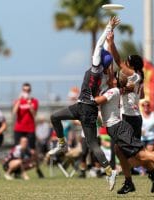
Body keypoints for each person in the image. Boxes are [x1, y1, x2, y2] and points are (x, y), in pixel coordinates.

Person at [48, 17, 120, 190]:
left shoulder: (96, 67)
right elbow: (108, 61)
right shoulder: (106, 76)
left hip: (84, 108)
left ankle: (110, 172)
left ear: (99, 59)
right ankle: (63, 145)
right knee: (90, 142)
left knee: (56, 118)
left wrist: (109, 26)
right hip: (87, 108)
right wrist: (111, 42)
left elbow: (99, 44)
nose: (95, 53)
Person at [95, 74, 154, 192]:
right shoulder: (126, 86)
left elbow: (100, 98)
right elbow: (140, 93)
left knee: (138, 158)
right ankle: (148, 176)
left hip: (126, 122)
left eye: (113, 78)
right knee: (121, 151)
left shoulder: (119, 88)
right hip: (126, 122)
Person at [106, 30, 145, 194]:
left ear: (132, 65)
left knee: (136, 155)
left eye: (127, 63)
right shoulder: (134, 78)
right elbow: (140, 94)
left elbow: (117, 60)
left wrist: (111, 42)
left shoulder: (135, 76)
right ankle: (129, 181)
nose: (125, 64)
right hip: (127, 117)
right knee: (118, 150)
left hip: (132, 118)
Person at [12, 82, 44, 178]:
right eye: (24, 90)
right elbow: (14, 112)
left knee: (33, 152)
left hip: (30, 129)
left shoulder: (34, 101)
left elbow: (34, 115)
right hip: (19, 129)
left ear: (30, 90)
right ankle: (18, 171)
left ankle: (38, 169)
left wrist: (30, 104)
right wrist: (19, 100)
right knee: (18, 151)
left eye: (28, 90)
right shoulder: (18, 101)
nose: (26, 92)